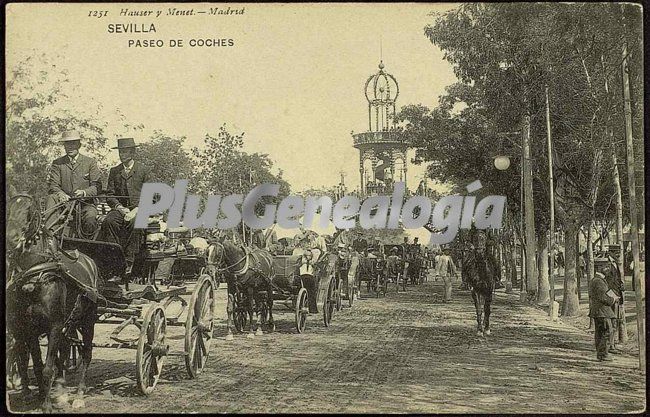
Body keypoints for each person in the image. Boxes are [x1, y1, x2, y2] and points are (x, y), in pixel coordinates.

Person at [97, 137, 149, 278]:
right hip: (120, 210)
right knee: (109, 221)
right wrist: (120, 208)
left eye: (125, 152)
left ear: (132, 152)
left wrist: (136, 210)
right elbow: (110, 195)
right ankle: (115, 260)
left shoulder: (143, 170)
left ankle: (129, 261)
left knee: (135, 222)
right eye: (120, 152)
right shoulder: (115, 171)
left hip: (139, 209)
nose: (122, 155)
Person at [45, 130, 101, 237]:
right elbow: (53, 185)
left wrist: (84, 192)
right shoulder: (58, 163)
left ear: (79, 145)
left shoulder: (90, 162)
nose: (70, 147)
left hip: (85, 204)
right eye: (67, 144)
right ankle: (50, 238)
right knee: (51, 198)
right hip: (63, 204)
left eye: (73, 143)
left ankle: (87, 247)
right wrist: (61, 194)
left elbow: (96, 187)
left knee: (90, 218)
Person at [589, 256, 620, 362]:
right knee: (605, 332)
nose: (608, 269)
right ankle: (603, 354)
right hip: (602, 311)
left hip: (601, 311)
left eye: (607, 266)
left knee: (602, 332)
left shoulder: (599, 280)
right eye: (605, 267)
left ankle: (602, 354)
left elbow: (604, 294)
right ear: (598, 268)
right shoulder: (598, 281)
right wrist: (613, 300)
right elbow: (603, 297)